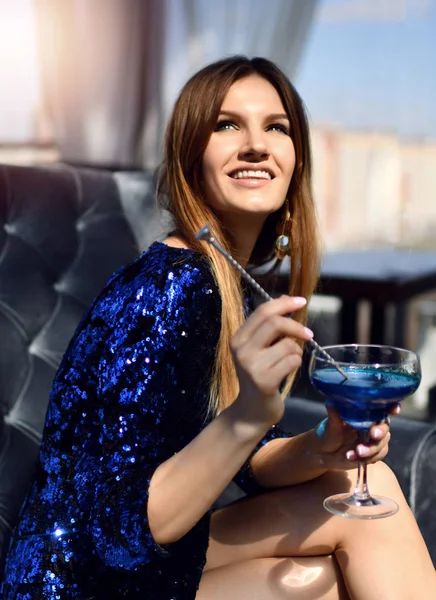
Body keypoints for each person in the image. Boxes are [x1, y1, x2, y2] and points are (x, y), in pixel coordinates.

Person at [1, 56, 435, 600]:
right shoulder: (170, 290)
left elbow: (247, 457)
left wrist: (324, 444)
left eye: (276, 127)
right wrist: (250, 413)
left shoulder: (225, 285)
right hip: (75, 581)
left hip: (140, 558)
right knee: (327, 577)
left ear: (296, 161)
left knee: (366, 501)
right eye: (227, 124)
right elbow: (117, 534)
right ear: (190, 157)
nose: (256, 144)